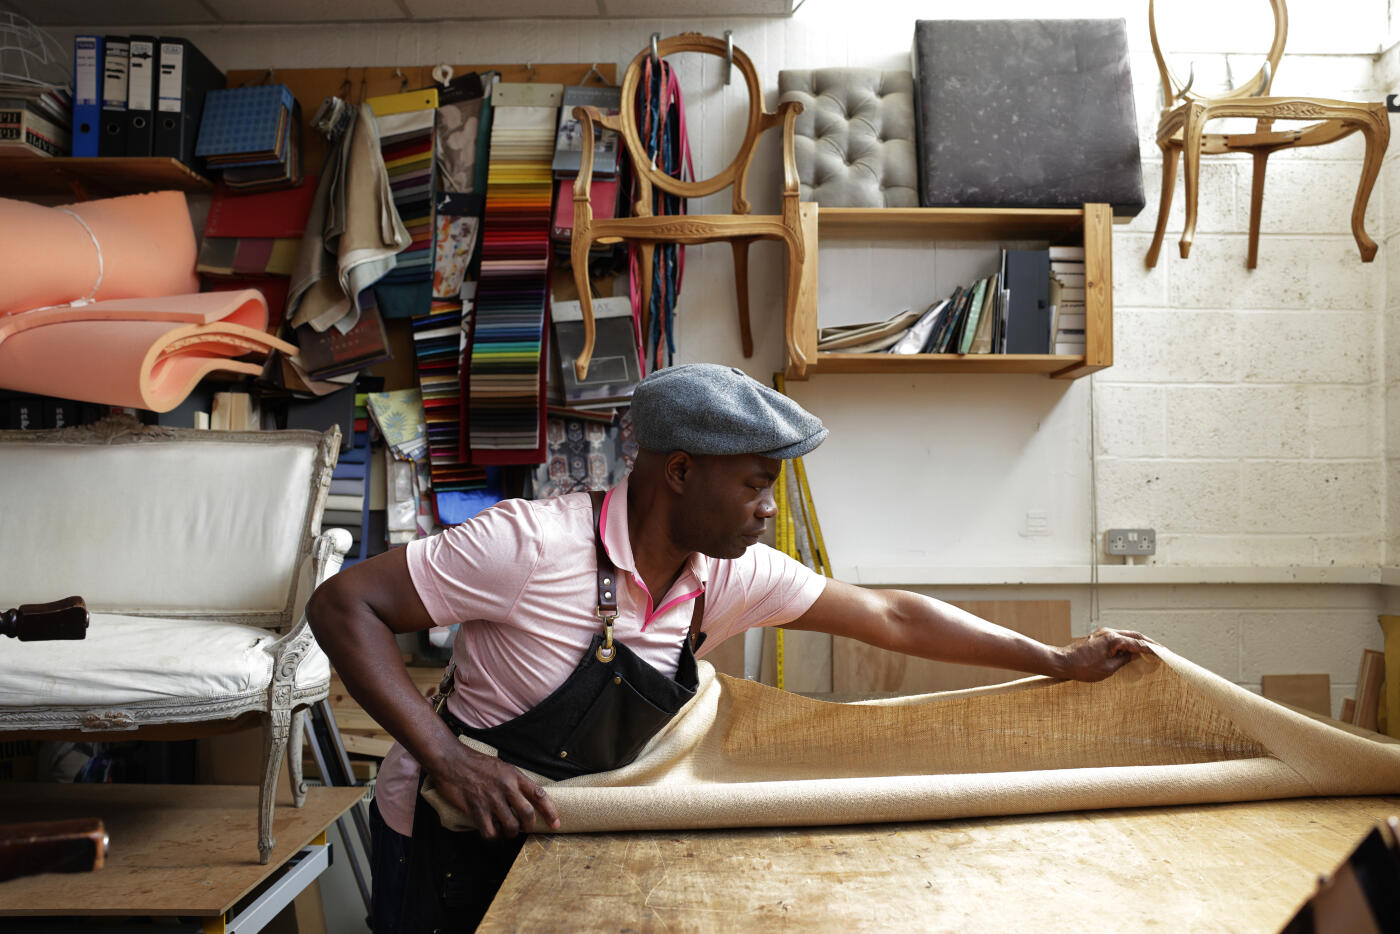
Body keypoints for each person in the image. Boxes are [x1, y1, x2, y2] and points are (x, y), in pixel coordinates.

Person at [307, 363, 1153, 932]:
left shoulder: (727, 575)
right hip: (453, 833)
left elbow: (892, 617)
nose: (768, 510)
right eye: (754, 484)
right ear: (680, 472)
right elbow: (344, 605)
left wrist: (1055, 660)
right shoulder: (529, 545)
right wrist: (447, 757)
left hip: (579, 832)